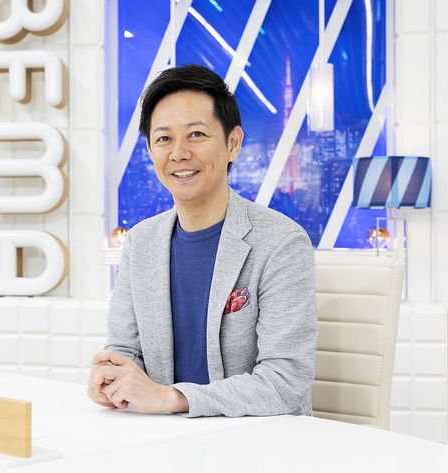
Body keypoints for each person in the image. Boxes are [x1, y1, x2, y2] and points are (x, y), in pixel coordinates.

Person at [87, 65, 317, 418]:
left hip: (259, 440)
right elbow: (125, 349)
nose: (179, 153)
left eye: (196, 134)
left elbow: (285, 383)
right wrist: (112, 377)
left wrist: (172, 397)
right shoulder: (141, 243)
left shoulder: (281, 243)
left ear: (233, 144)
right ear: (150, 150)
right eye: (164, 139)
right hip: (166, 436)